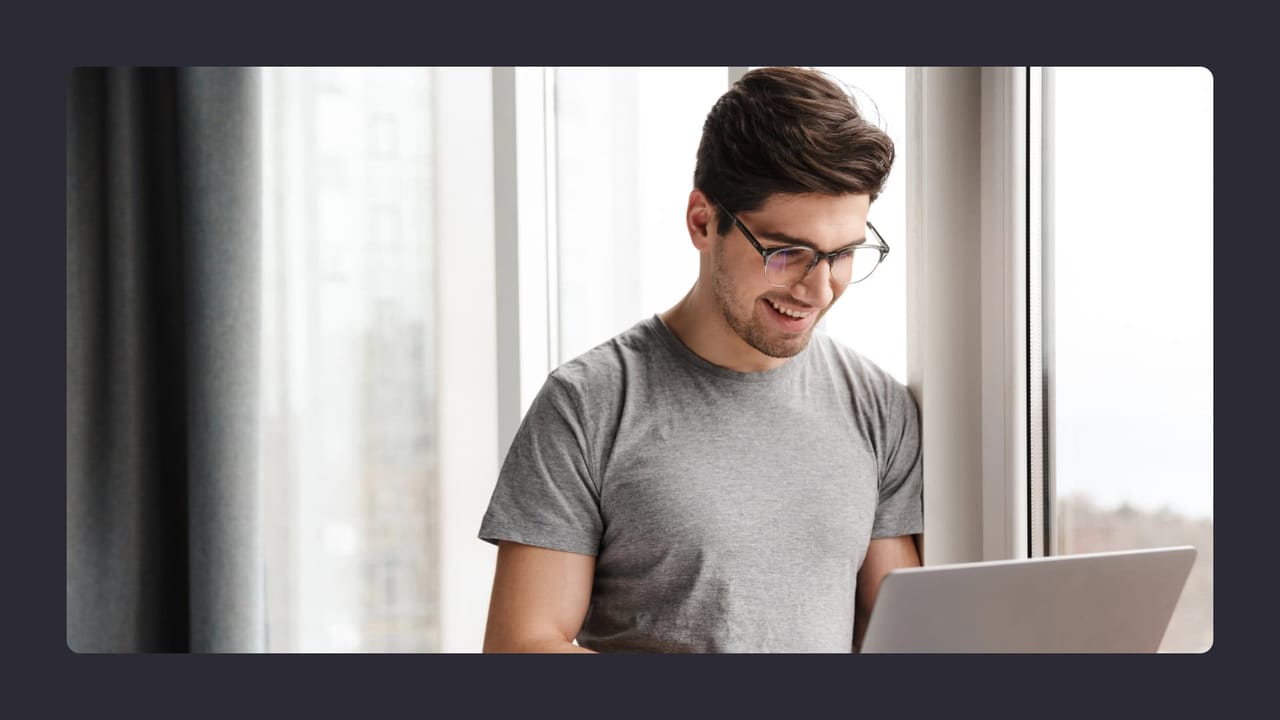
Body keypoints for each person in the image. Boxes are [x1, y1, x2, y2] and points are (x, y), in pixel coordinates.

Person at [478, 66, 922, 653]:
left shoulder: (878, 407)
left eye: (842, 254)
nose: (819, 290)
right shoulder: (588, 404)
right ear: (702, 221)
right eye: (788, 253)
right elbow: (521, 647)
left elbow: (907, 633)